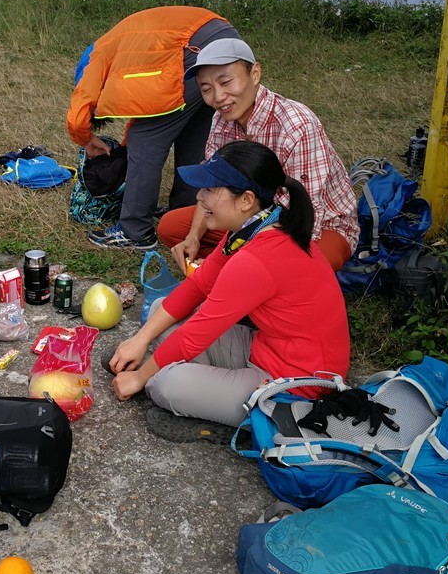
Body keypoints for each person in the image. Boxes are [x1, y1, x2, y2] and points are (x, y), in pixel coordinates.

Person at [107, 141, 350, 442]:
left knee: (163, 385)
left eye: (210, 189)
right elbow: (197, 285)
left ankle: (229, 414)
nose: (199, 195)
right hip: (267, 349)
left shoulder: (256, 259)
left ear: (246, 199)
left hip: (296, 385)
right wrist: (139, 341)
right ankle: (208, 396)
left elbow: (198, 333)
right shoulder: (252, 230)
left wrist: (139, 378)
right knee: (160, 310)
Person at [157, 36, 358, 272]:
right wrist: (193, 237)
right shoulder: (222, 119)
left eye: (226, 82)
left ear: (255, 73)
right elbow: (212, 183)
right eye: (207, 89)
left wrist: (235, 262)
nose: (219, 97)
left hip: (319, 225)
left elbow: (305, 215)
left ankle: (237, 270)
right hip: (249, 213)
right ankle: (234, 267)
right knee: (171, 227)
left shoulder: (297, 125)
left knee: (297, 269)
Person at [67, 6, 241, 250]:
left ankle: (134, 231)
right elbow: (145, 108)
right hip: (225, 38)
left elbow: (80, 109)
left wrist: (85, 138)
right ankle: (182, 214)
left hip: (194, 49)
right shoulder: (125, 44)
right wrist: (128, 144)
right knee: (193, 136)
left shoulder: (98, 56)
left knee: (146, 140)